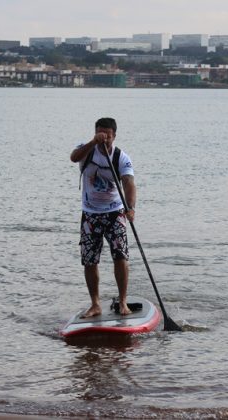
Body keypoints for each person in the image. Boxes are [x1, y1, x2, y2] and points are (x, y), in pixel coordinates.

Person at [70, 117, 136, 318]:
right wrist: (93, 142)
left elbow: (129, 183)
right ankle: (95, 304)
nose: (104, 138)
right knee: (90, 260)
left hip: (115, 212)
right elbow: (73, 157)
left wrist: (130, 207)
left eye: (107, 135)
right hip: (90, 214)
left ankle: (123, 302)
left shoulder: (121, 157)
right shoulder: (86, 150)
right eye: (100, 133)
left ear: (114, 135)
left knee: (121, 256)